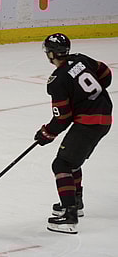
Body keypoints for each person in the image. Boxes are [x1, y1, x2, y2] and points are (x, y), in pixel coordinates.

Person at [34, 33, 112, 234]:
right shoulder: (81, 59)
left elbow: (63, 118)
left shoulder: (57, 81)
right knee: (73, 161)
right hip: (104, 117)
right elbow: (106, 74)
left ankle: (70, 216)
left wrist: (46, 133)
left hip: (89, 123)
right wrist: (90, 98)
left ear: (51, 54)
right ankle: (75, 202)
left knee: (62, 164)